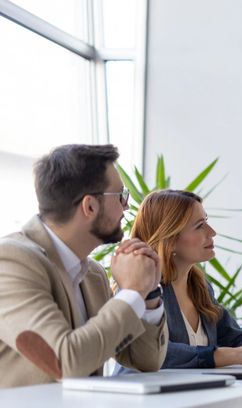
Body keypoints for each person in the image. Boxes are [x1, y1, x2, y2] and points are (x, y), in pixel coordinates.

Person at [0, 144, 167, 388]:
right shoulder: (11, 262)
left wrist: (148, 292)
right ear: (90, 206)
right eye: (121, 196)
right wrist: (131, 293)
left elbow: (146, 361)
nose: (126, 206)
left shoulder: (94, 275)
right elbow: (63, 362)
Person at [127, 189, 242, 368]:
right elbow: (157, 353)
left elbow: (231, 335)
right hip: (144, 394)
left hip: (191, 394)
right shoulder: (140, 290)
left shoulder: (200, 287)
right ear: (169, 239)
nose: (212, 232)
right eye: (199, 226)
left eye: (207, 222)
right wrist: (239, 354)